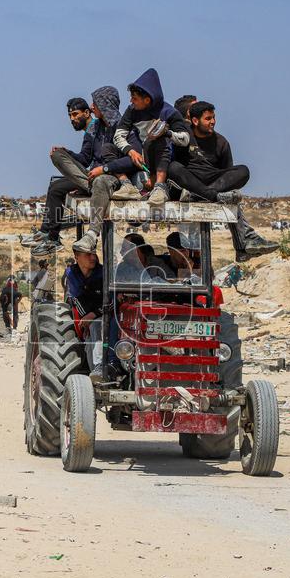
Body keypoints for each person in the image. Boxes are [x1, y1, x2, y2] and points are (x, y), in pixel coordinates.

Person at [27, 87, 139, 256]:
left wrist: (105, 169)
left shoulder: (124, 127)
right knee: (57, 176)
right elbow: (85, 159)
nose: (93, 108)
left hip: (111, 179)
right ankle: (50, 237)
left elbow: (133, 160)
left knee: (99, 181)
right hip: (92, 176)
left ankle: (89, 234)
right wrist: (67, 154)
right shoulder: (96, 128)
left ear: (104, 105)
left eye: (96, 104)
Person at [167, 101, 278, 261]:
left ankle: (202, 196)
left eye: (213, 117)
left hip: (212, 184)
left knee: (243, 171)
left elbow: (228, 175)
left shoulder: (221, 142)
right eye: (208, 118)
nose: (213, 121)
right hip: (190, 182)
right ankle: (244, 241)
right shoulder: (185, 137)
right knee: (174, 167)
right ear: (195, 121)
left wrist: (213, 192)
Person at [112, 68, 191, 209]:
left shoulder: (168, 111)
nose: (131, 101)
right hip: (141, 157)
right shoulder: (132, 111)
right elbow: (119, 135)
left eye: (135, 98)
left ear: (147, 100)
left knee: (157, 139)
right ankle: (127, 186)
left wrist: (167, 133)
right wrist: (130, 151)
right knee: (108, 148)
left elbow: (185, 139)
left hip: (165, 159)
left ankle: (160, 186)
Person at [65, 243, 106, 381]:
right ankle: (95, 369)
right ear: (77, 257)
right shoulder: (71, 273)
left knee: (97, 324)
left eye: (94, 253)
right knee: (92, 330)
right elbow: (76, 298)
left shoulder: (104, 273)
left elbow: (111, 301)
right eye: (88, 254)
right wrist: (86, 317)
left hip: (104, 312)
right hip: (83, 314)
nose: (93, 257)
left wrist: (93, 315)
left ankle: (100, 368)